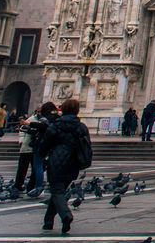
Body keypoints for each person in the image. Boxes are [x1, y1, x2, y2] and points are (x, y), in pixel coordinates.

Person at [38, 98, 93, 235]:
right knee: (58, 191)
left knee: (57, 191)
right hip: (73, 164)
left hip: (56, 162)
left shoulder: (56, 125)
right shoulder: (81, 127)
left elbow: (46, 143)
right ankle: (48, 221)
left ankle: (66, 215)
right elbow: (87, 145)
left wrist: (41, 154)